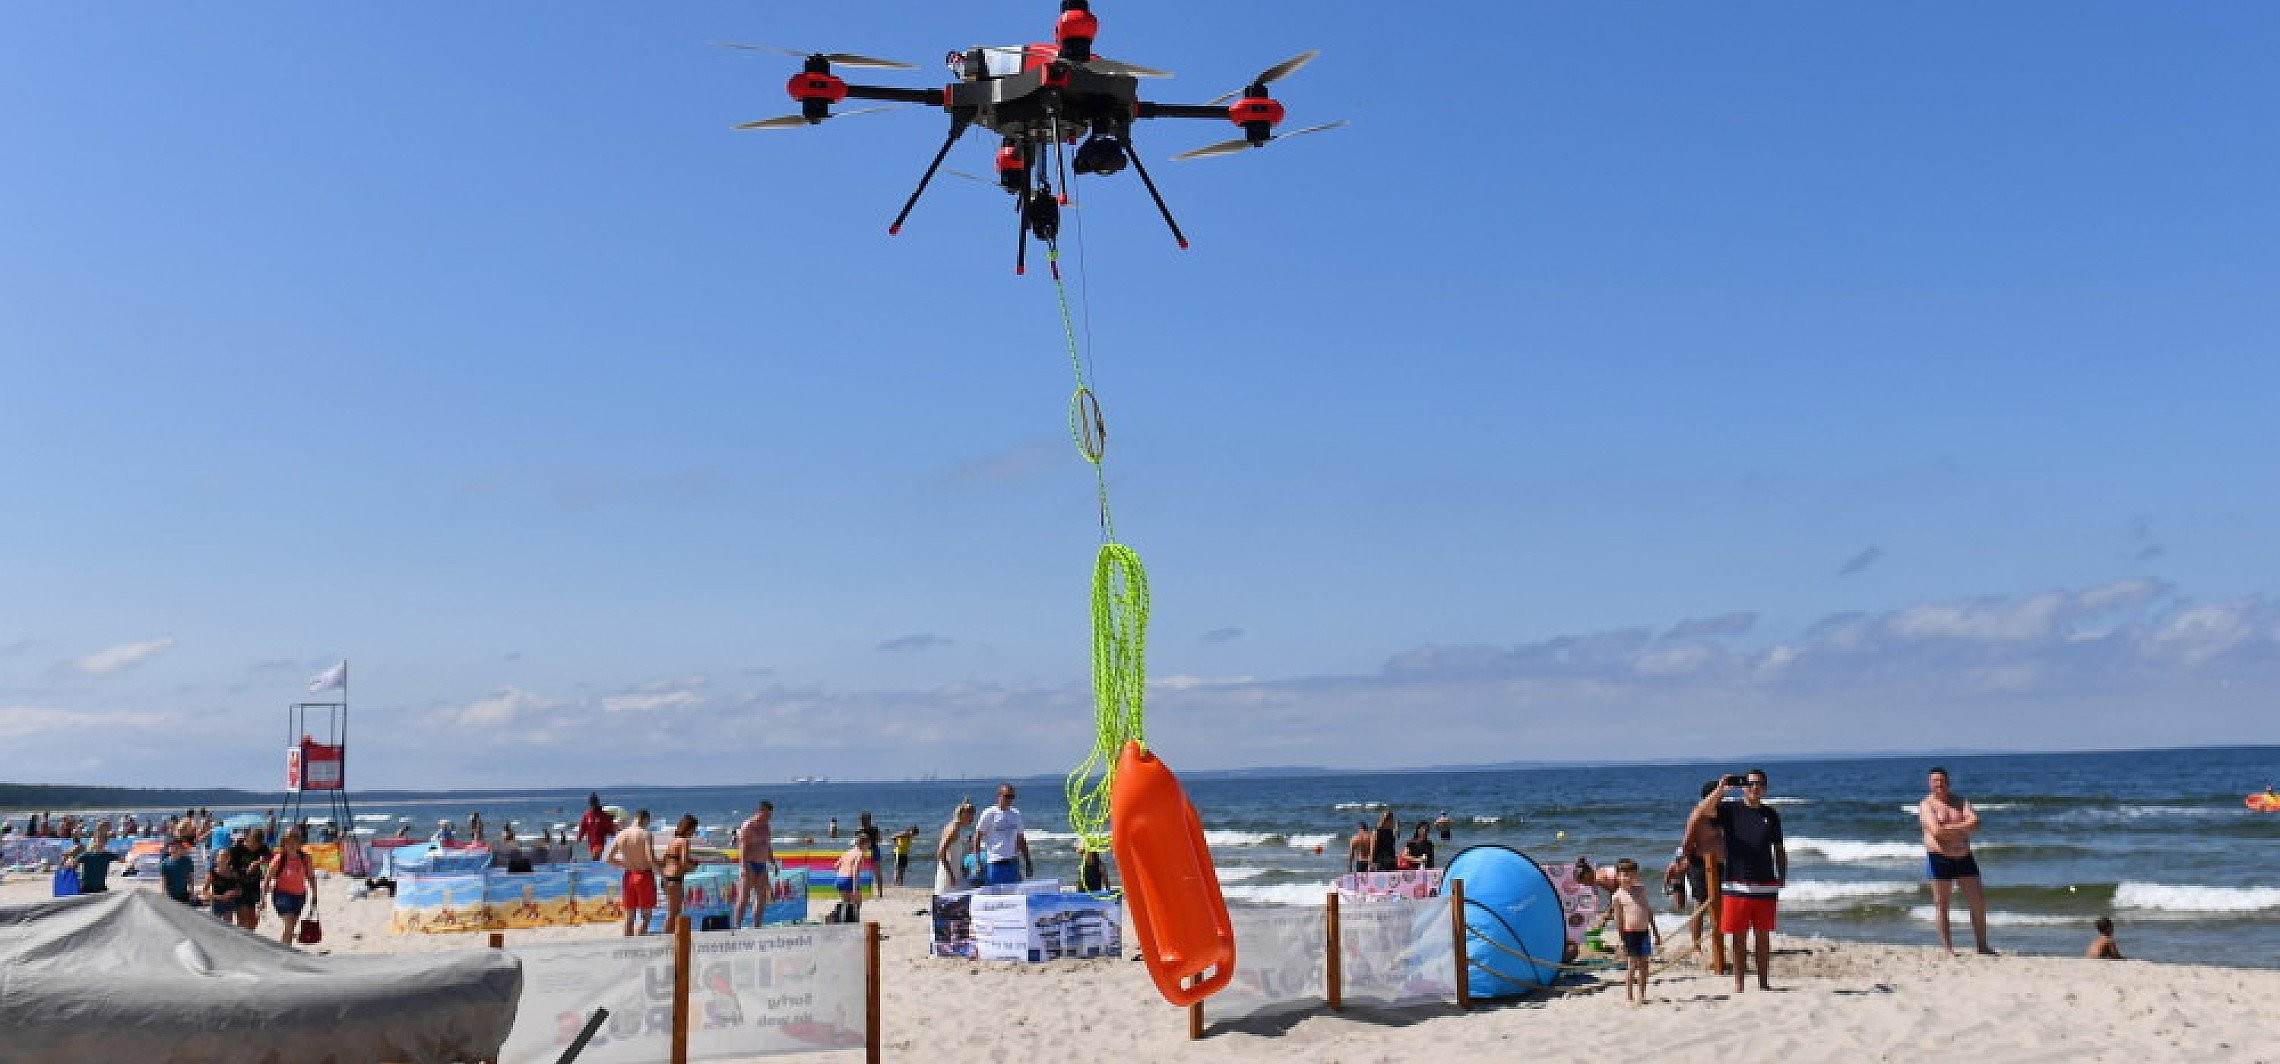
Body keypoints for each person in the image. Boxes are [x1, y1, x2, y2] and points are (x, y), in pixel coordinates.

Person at [1690, 769, 1785, 993]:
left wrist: (1782, 875)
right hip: (1735, 884)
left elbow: (1779, 849)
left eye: (1759, 784)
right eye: (1750, 784)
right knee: (1738, 938)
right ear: (1744, 787)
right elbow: (1701, 811)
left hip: (1765, 885)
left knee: (1763, 938)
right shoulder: (1730, 810)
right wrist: (1720, 790)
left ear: (1765, 788)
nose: (1755, 788)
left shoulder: (1771, 815)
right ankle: (1739, 985)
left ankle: (1763, 983)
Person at [1920, 766, 1994, 956]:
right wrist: (1963, 827)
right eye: (1935, 781)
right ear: (1930, 783)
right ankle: (1948, 949)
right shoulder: (1926, 805)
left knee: (1978, 902)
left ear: (1948, 781)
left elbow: (1976, 823)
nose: (1939, 784)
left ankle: (1982, 946)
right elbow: (1936, 831)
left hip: (1964, 857)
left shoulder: (1960, 801)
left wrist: (1950, 827)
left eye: (1942, 780)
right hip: (1939, 858)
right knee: (1942, 904)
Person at [1681, 778, 1729, 975]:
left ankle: (1719, 940)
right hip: (1701, 863)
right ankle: (1696, 946)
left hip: (1721, 863)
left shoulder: (1722, 815)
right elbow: (1687, 842)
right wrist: (1691, 860)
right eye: (1718, 796)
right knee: (1700, 904)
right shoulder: (1698, 815)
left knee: (1722, 903)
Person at [1600, 858, 1656, 1004]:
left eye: (1631, 875)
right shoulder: (1617, 896)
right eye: (1624, 875)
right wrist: (1621, 939)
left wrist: (1655, 932)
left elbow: (1648, 911)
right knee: (1632, 965)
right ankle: (1629, 995)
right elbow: (1618, 919)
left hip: (1644, 931)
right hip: (1630, 933)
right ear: (1618, 876)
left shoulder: (1641, 889)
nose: (1628, 878)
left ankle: (1642, 994)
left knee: (1645, 964)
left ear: (1636, 875)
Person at [604, 809, 659, 937]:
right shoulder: (645, 834)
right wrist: (661, 873)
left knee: (629, 917)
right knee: (646, 916)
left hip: (629, 876)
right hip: (644, 875)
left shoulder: (621, 834)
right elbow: (650, 858)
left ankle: (627, 945)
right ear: (644, 819)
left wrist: (626, 864)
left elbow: (609, 858)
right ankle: (639, 941)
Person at [263, 828, 317, 947]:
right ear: (284, 843)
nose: (292, 845)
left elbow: (312, 877)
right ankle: (285, 952)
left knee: (291, 927)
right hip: (282, 895)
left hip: (300, 896)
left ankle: (285, 949)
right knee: (290, 923)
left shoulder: (306, 858)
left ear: (299, 843)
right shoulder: (279, 859)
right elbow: (267, 879)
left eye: (295, 842)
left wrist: (314, 895)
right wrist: (263, 898)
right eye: (289, 842)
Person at [971, 784, 1032, 886]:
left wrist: (1028, 862)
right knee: (995, 895)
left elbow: (1021, 839)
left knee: (1014, 895)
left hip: (1012, 862)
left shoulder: (1016, 814)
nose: (1010, 800)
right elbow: (977, 837)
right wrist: (977, 862)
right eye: (1007, 796)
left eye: (1012, 797)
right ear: (999, 796)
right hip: (995, 862)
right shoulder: (989, 813)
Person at [735, 801, 777, 929]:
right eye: (767, 814)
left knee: (761, 896)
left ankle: (757, 925)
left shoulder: (766, 826)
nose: (769, 817)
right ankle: (737, 925)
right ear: (761, 811)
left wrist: (773, 862)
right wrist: (743, 865)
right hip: (749, 864)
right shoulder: (748, 825)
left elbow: (767, 845)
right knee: (744, 896)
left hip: (762, 864)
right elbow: (742, 846)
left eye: (770, 815)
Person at [661, 814, 698, 932]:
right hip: (675, 880)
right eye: (694, 829)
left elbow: (665, 859)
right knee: (673, 912)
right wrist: (692, 866)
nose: (694, 832)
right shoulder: (684, 842)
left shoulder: (673, 841)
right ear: (690, 829)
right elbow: (683, 862)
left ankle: (669, 936)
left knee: (673, 911)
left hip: (667, 878)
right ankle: (665, 938)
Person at [831, 830, 874, 921]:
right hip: (849, 879)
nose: (869, 847)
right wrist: (854, 888)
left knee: (845, 903)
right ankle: (855, 922)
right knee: (857, 903)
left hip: (839, 878)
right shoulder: (860, 854)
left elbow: (836, 866)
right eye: (869, 845)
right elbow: (855, 870)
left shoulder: (848, 852)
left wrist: (843, 871)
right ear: (863, 844)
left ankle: (843, 920)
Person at [935, 800, 976, 894]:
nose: (972, 819)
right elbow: (941, 852)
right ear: (963, 815)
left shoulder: (955, 827)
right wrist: (951, 875)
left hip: (955, 871)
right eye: (971, 816)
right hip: (950, 873)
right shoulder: (953, 829)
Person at [71, 826, 121, 894]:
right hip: (86, 889)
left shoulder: (108, 855)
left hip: (101, 889)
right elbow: (73, 863)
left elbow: (122, 859)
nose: (100, 843)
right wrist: (70, 863)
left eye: (103, 841)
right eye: (99, 841)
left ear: (106, 843)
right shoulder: (87, 855)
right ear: (94, 842)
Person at [206, 847, 245, 923]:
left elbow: (240, 891)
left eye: (226, 856)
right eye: (222, 856)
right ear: (217, 859)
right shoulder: (212, 873)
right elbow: (204, 892)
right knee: (215, 926)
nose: (224, 858)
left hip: (229, 904)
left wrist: (234, 892)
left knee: (228, 928)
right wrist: (221, 897)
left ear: (229, 858)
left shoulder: (233, 873)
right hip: (216, 904)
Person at [577, 794, 616, 861]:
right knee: (596, 860)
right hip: (591, 843)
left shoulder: (603, 816)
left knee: (595, 858)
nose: (593, 805)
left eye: (594, 802)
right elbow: (583, 827)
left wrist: (613, 832)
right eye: (592, 803)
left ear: (597, 803)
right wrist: (579, 837)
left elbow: (610, 829)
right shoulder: (587, 815)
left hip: (600, 843)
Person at [159, 838, 197, 905]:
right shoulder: (164, 864)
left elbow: (191, 878)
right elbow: (163, 880)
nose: (175, 849)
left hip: (183, 895)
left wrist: (192, 892)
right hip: (170, 896)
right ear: (169, 848)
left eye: (177, 847)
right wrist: (164, 894)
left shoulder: (187, 861)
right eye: (173, 847)